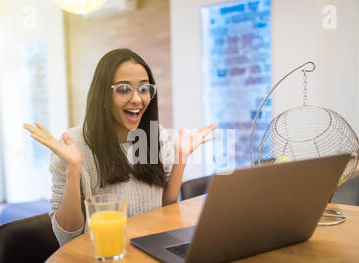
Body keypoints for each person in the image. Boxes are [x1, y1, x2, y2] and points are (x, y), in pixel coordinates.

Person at [23, 48, 216, 247]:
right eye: (123, 89)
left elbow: (165, 209)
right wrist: (74, 168)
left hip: (150, 251)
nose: (137, 99)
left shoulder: (154, 135)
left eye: (143, 89)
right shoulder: (74, 143)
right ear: (103, 95)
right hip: (102, 256)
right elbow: (66, 238)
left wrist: (180, 158)